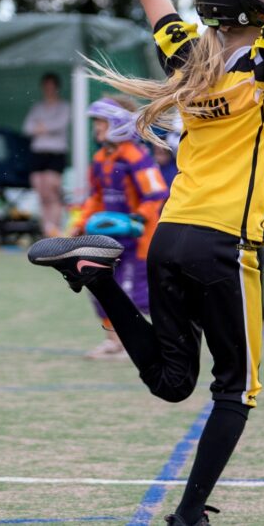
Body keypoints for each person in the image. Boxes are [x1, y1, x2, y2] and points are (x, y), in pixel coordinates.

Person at [28, 0, 264, 526]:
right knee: (236, 391)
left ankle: (95, 274)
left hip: (170, 236)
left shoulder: (189, 58)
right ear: (263, 6)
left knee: (173, 380)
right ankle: (187, 518)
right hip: (225, 244)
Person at [68, 97, 168, 360]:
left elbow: (156, 194)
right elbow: (96, 197)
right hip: (108, 239)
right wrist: (80, 223)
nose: (96, 128)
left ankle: (160, 340)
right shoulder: (100, 158)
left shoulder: (136, 157)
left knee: (137, 297)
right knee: (98, 286)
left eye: (101, 122)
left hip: (138, 243)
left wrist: (138, 219)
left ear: (119, 124)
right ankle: (115, 343)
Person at [23, 73, 70, 237]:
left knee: (52, 193)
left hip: (55, 153)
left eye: (51, 86)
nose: (49, 89)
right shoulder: (37, 107)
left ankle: (54, 230)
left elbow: (59, 124)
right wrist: (45, 128)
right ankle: (46, 231)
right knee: (41, 192)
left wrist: (42, 127)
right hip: (38, 153)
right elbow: (28, 128)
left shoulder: (64, 107)